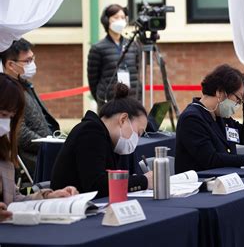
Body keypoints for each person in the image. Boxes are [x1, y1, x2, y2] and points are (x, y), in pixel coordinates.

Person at [175, 64, 244, 173]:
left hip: (224, 180)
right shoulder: (192, 118)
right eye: (237, 99)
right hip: (199, 184)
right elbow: (211, 159)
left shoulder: (221, 117)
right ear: (220, 92)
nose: (238, 104)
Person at [50, 84, 152, 198]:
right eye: (138, 133)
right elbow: (97, 185)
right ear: (123, 119)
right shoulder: (90, 132)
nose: (136, 140)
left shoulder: (107, 139)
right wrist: (144, 180)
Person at [0, 73, 77, 221]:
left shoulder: (4, 147)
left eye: (11, 117)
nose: (6, 123)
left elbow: (13, 200)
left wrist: (48, 196)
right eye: (3, 114)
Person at [0, 38, 60, 179]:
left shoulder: (24, 85)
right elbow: (19, 132)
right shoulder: (8, 92)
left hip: (43, 153)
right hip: (32, 159)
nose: (32, 64)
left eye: (33, 59)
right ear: (11, 65)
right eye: (27, 61)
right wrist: (48, 145)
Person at [87, 4, 142, 109]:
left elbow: (137, 70)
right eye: (116, 17)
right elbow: (93, 80)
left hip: (132, 100)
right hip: (109, 102)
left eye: (122, 17)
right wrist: (101, 98)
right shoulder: (97, 48)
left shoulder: (133, 45)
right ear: (107, 20)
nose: (120, 20)